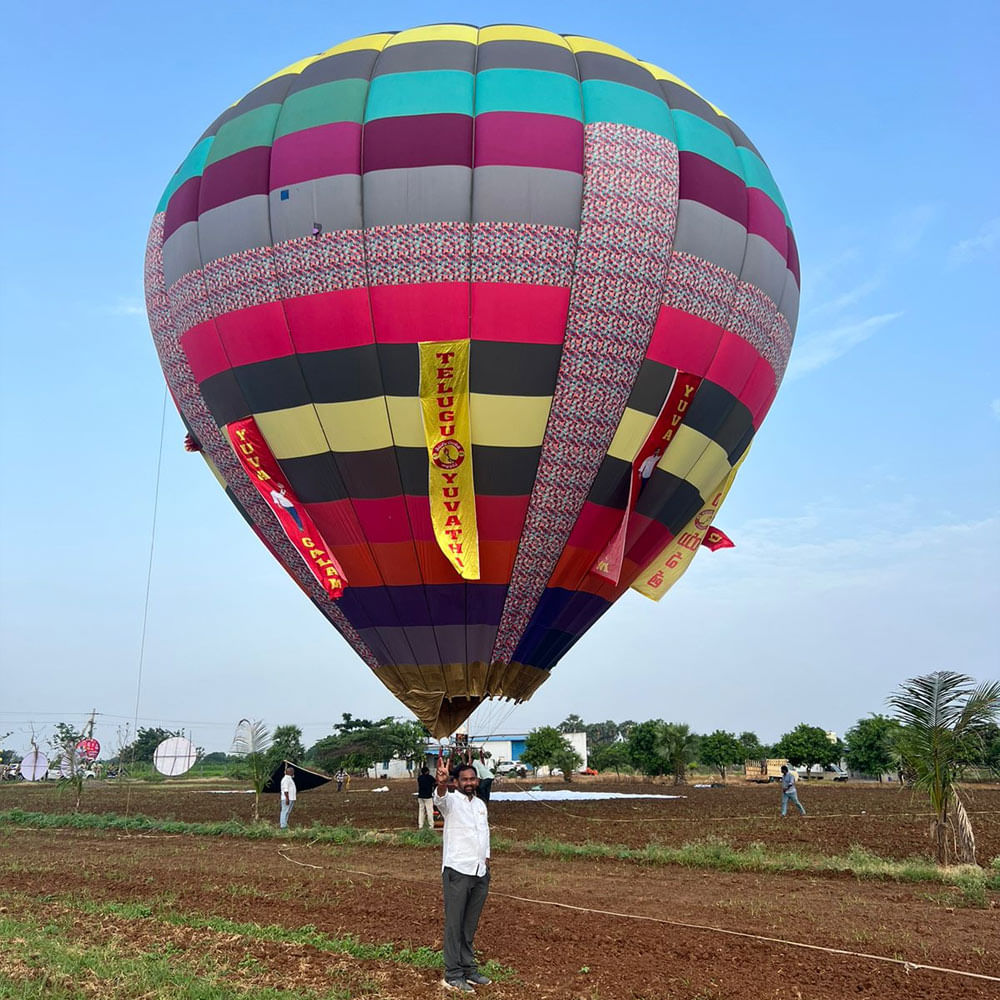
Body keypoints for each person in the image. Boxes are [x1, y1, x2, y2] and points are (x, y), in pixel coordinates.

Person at [434, 756, 492, 993]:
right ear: (456, 782)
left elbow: (484, 834)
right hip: (458, 871)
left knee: (469, 924)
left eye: (472, 779)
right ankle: (453, 973)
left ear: (477, 781)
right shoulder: (451, 803)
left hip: (480, 872)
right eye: (464, 779)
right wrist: (441, 782)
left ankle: (468, 967)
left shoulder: (480, 805)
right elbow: (440, 797)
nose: (469, 782)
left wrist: (486, 860)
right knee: (455, 924)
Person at [417, 764, 436, 829]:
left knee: (421, 810)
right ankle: (431, 825)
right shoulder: (430, 777)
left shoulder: (419, 778)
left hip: (420, 796)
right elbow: (435, 783)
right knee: (429, 811)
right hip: (428, 796)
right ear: (427, 771)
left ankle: (420, 825)